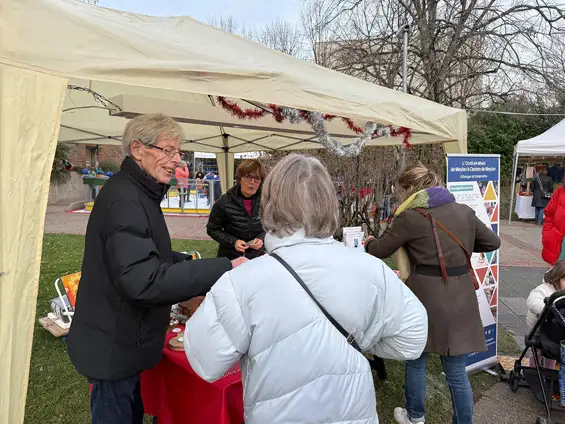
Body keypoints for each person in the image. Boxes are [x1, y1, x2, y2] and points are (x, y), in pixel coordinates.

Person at [184, 154, 428, 424]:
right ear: (328, 202)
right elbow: (412, 338)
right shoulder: (371, 269)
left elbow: (204, 359)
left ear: (269, 202)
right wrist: (362, 338)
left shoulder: (240, 282)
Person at [67, 114, 246, 424]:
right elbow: (144, 280)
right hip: (113, 347)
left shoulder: (136, 193)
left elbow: (145, 256)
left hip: (122, 343)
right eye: (167, 150)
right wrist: (223, 268)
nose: (175, 160)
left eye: (177, 152)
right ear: (138, 149)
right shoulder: (125, 199)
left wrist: (188, 264)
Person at [364, 164, 501, 424]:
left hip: (425, 296)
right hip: (461, 295)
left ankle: (415, 416)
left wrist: (369, 241)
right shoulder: (463, 210)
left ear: (408, 189)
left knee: (416, 360)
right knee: (456, 372)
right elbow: (493, 242)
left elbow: (381, 249)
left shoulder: (411, 216)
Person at [206, 159, 266, 260]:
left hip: (257, 257)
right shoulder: (224, 202)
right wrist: (233, 242)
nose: (252, 182)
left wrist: (261, 238)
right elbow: (212, 229)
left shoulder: (266, 200)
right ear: (239, 178)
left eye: (257, 178)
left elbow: (272, 227)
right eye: (248, 177)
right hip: (231, 257)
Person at [526, 261, 565, 369]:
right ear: (556, 278)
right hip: (539, 329)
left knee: (551, 355)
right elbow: (532, 302)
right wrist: (548, 309)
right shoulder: (544, 290)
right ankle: (534, 371)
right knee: (538, 352)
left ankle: (550, 371)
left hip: (558, 331)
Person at [542, 182, 565, 265]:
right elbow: (549, 213)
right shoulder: (560, 191)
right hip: (559, 241)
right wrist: (548, 234)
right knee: (556, 273)